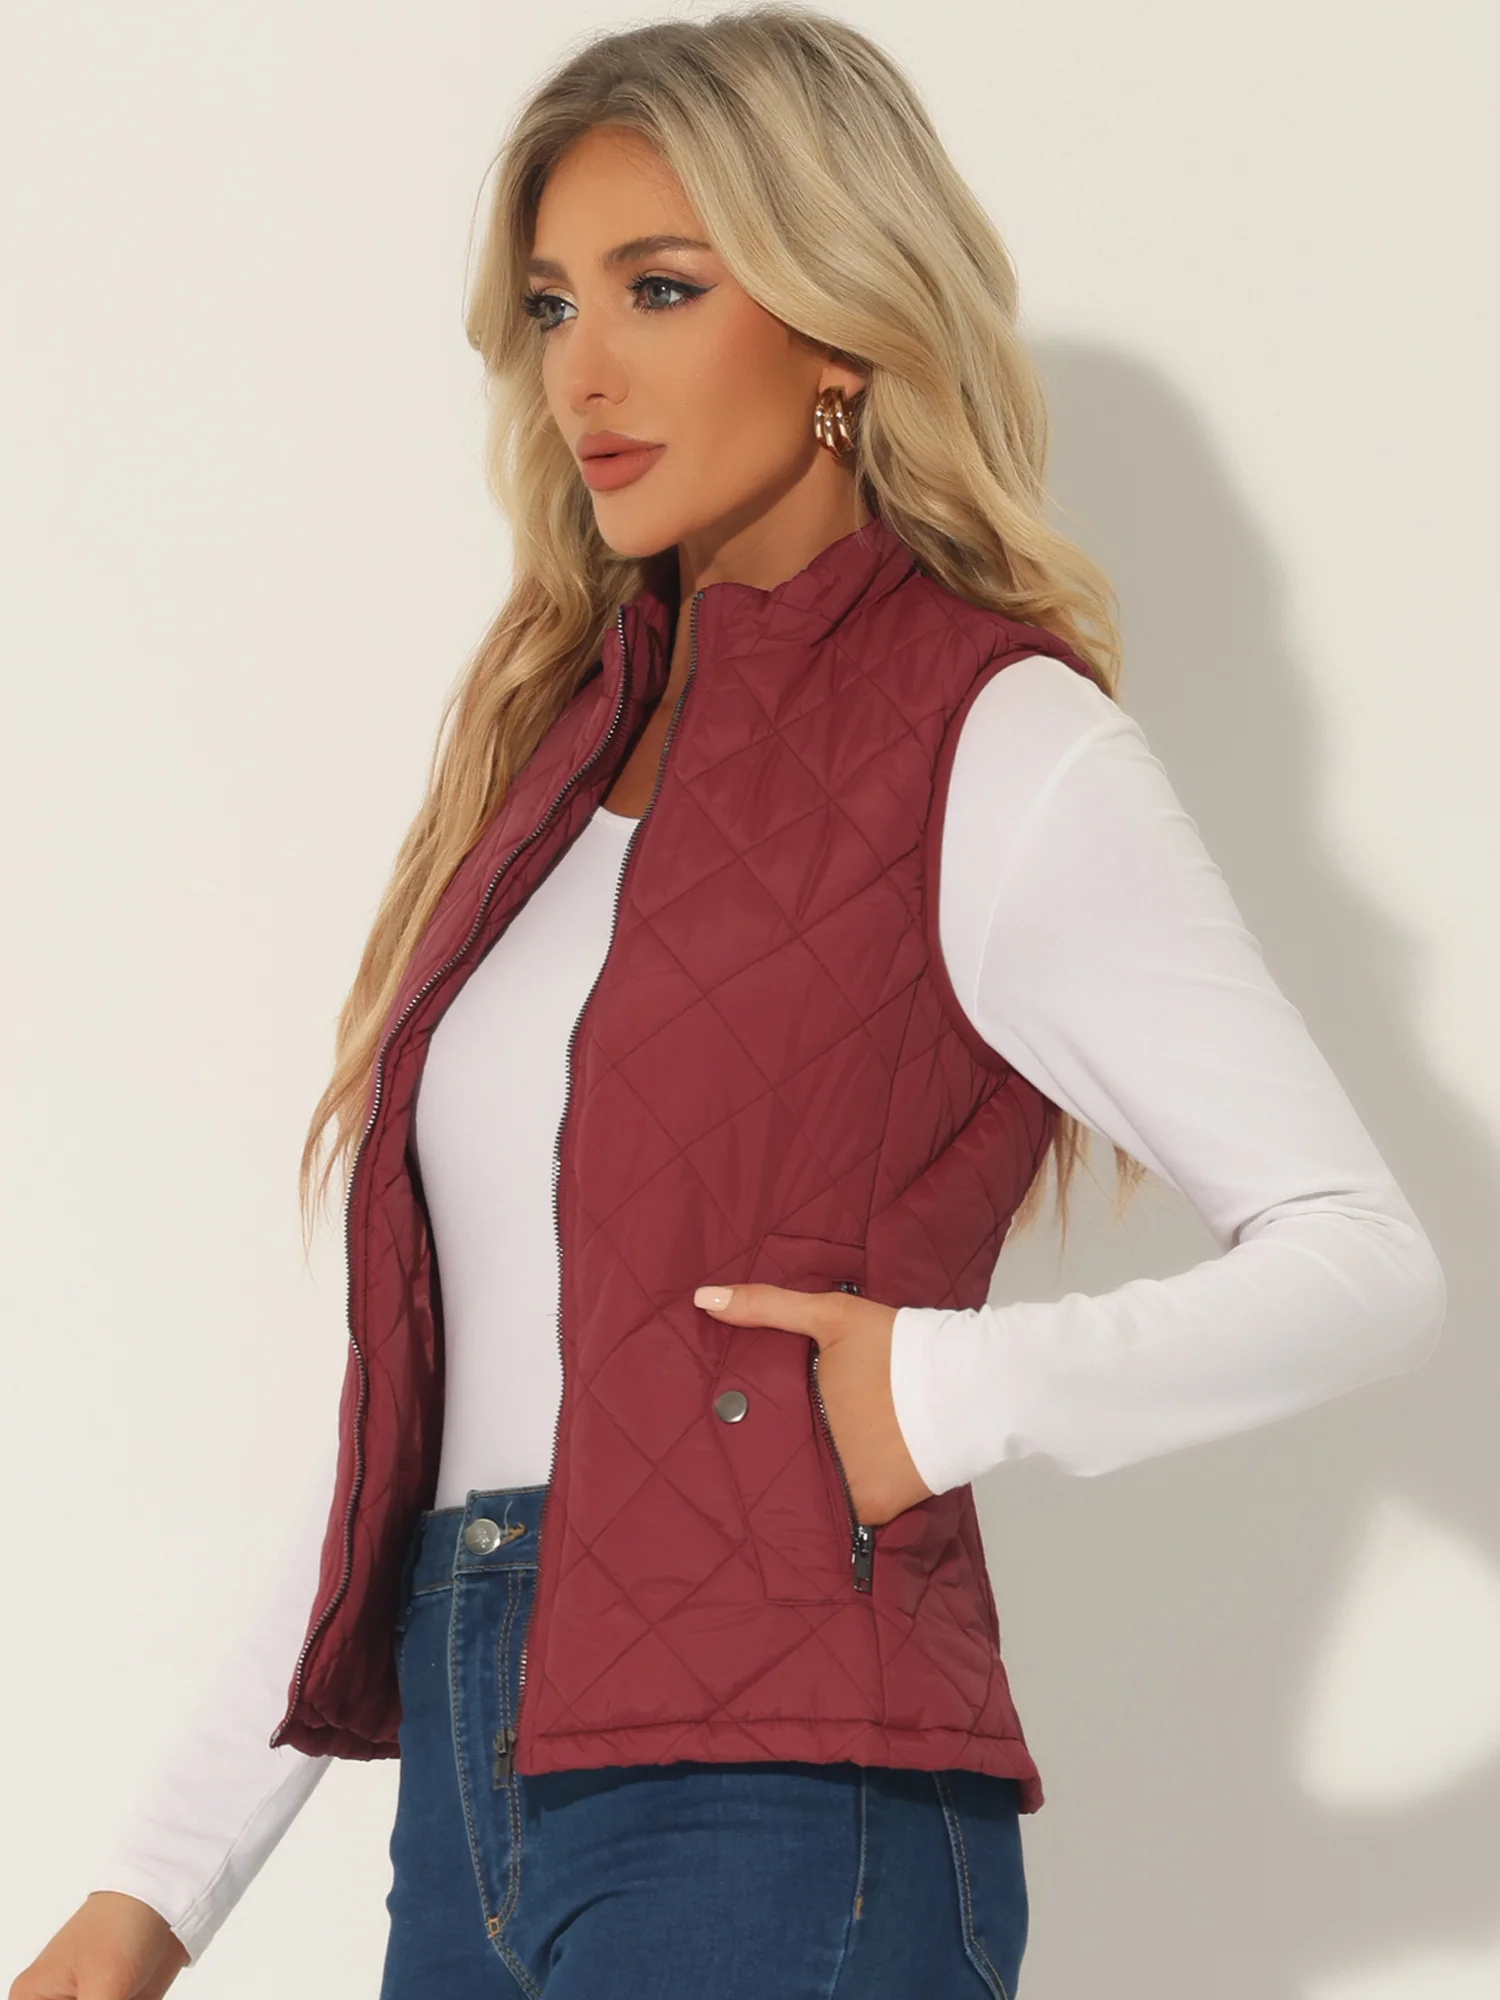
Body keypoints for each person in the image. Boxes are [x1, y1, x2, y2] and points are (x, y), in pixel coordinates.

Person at [12, 8, 1446, 1997]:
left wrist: (942, 1393)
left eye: (660, 289)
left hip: (785, 1797)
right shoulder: (543, 767)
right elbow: (431, 1420)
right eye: (550, 304)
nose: (581, 369)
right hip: (466, 1774)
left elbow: (1364, 1261)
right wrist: (156, 1886)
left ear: (838, 323)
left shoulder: (996, 738)